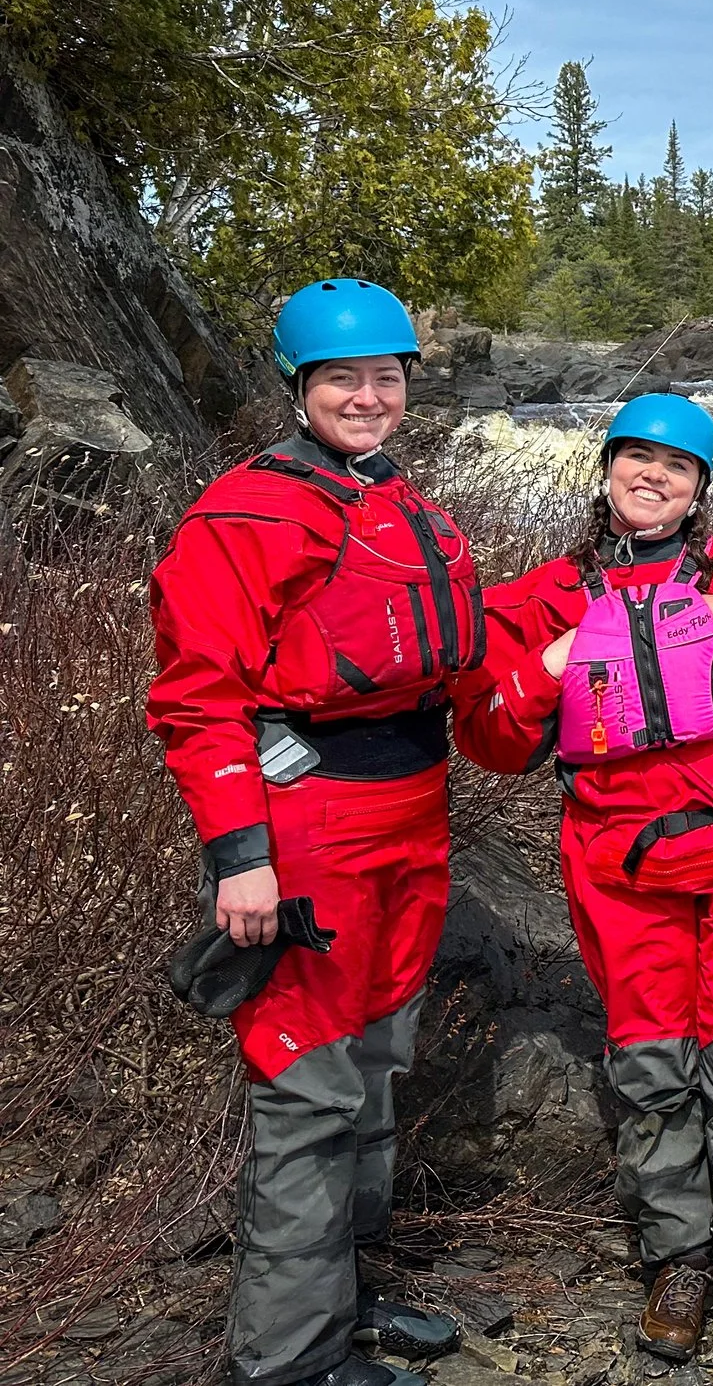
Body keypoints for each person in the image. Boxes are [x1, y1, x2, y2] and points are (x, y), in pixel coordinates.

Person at [451, 394, 713, 1375]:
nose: (655, 476)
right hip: (622, 877)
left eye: (677, 465)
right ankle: (680, 1261)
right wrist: (547, 665)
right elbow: (492, 740)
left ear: (701, 487)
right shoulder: (546, 596)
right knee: (655, 1076)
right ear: (608, 468)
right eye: (638, 458)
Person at [148, 279, 480, 1386]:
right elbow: (199, 699)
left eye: (385, 378)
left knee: (378, 1063)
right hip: (315, 831)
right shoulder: (247, 512)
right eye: (344, 379)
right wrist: (242, 859)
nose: (368, 397)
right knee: (308, 1079)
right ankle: (287, 1360)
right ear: (299, 389)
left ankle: (345, 1296)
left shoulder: (399, 500)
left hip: (411, 816)